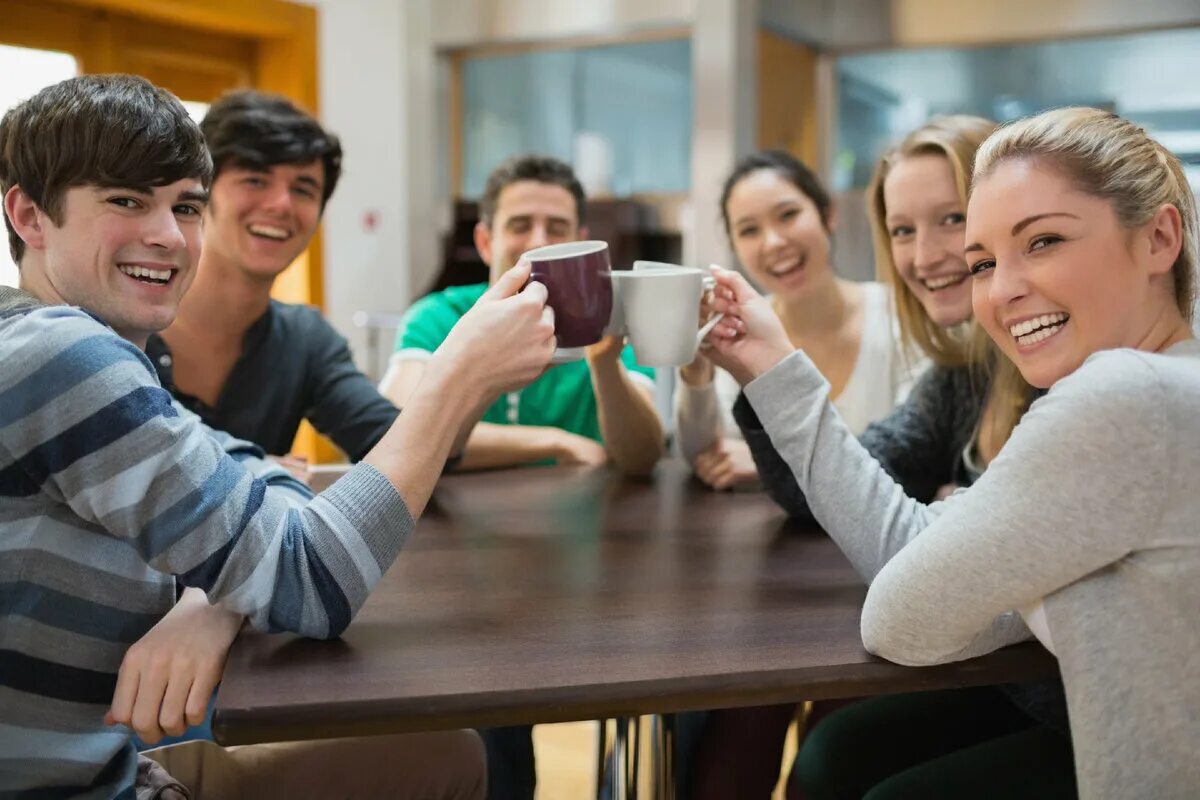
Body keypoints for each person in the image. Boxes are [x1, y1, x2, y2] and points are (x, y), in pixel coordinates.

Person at [0, 74, 554, 797]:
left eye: (184, 205)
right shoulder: (66, 358)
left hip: (115, 752)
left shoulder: (106, 348)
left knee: (449, 750)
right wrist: (457, 379)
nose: (167, 235)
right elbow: (312, 579)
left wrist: (216, 595)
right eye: (126, 200)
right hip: (79, 774)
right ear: (30, 216)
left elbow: (261, 471)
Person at [705, 107, 1200, 799]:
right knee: (839, 754)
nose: (1001, 289)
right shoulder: (1170, 375)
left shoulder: (1116, 396)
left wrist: (985, 527)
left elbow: (899, 620)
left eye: (1045, 241)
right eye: (986, 262)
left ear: (1160, 237)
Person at [148, 89, 398, 463]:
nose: (281, 205)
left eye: (303, 189)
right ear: (202, 192)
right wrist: (252, 469)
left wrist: (471, 368)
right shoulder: (122, 320)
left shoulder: (304, 340)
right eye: (255, 180)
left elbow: (396, 442)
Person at [380, 154, 665, 477]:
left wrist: (604, 363)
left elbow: (643, 458)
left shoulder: (613, 322)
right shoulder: (436, 317)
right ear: (485, 242)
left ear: (581, 243)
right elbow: (397, 431)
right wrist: (555, 442)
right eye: (520, 226)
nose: (539, 241)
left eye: (557, 228)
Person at [674, 150, 915, 492]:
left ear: (827, 214)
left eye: (787, 215)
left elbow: (917, 455)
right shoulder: (738, 331)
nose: (773, 242)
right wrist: (695, 369)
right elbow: (704, 456)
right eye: (749, 230)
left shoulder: (899, 316)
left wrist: (771, 464)